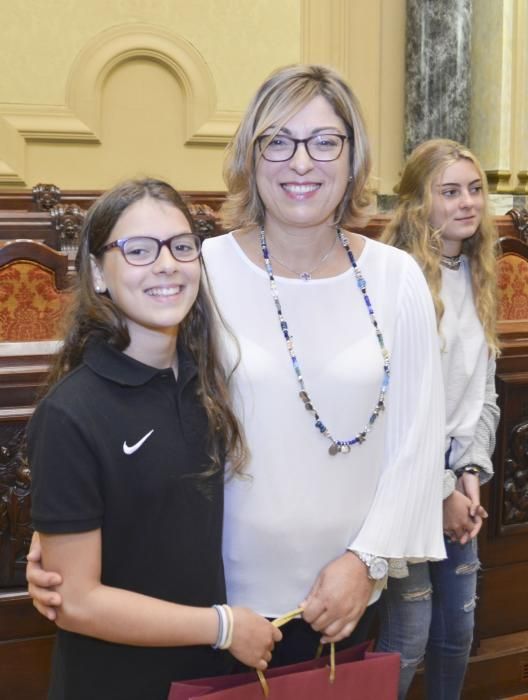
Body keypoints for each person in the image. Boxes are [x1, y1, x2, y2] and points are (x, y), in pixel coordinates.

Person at [27, 64, 446, 666]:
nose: (301, 162)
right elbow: (132, 405)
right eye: (277, 140)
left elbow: (418, 442)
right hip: (217, 606)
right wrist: (62, 533)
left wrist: (366, 562)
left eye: (325, 140)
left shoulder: (396, 277)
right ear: (251, 156)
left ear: (354, 157)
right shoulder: (200, 269)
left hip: (346, 600)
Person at [27, 178, 281, 700]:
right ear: (98, 271)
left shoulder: (213, 381)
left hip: (208, 677)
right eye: (138, 250)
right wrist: (224, 627)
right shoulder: (72, 412)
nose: (166, 264)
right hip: (117, 680)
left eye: (181, 246)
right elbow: (76, 602)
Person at [376, 139, 500, 699]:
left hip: (456, 477)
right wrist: (444, 488)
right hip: (407, 480)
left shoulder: (476, 271)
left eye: (475, 189)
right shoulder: (397, 280)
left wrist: (471, 470)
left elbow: (484, 392)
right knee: (409, 636)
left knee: (459, 633)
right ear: (417, 203)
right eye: (449, 191)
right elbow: (399, 405)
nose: (467, 203)